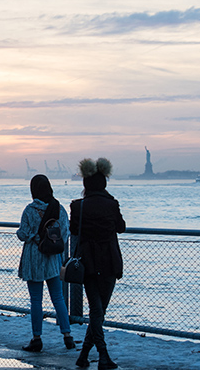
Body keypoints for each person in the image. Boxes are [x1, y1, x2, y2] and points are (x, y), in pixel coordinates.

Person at [70, 158, 125, 370]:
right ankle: (102, 356)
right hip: (109, 261)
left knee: (96, 310)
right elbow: (121, 227)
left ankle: (84, 355)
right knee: (99, 311)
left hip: (88, 263)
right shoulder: (112, 204)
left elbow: (74, 230)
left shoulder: (78, 206)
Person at [17, 174, 75, 352]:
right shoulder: (59, 208)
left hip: (33, 258)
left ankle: (36, 338)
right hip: (52, 258)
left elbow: (23, 234)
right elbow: (65, 233)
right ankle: (67, 336)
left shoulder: (29, 210)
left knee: (36, 300)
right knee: (58, 298)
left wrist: (32, 237)